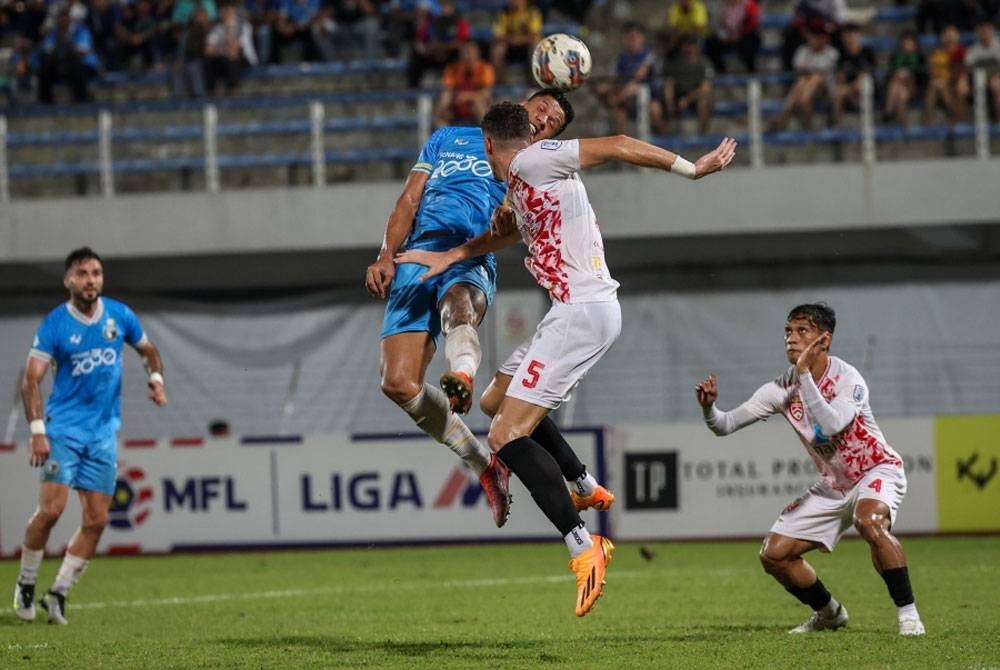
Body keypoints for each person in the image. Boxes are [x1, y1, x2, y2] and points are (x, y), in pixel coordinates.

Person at [395, 101, 735, 615]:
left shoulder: (534, 160)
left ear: (488, 145)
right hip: (573, 312)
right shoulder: (522, 182)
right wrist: (452, 256)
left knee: (505, 436)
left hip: (582, 312)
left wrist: (694, 169)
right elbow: (511, 234)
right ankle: (582, 483)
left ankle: (584, 546)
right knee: (494, 400)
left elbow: (618, 144)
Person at [365, 90, 612, 531]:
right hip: (418, 254)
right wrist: (386, 253)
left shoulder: (534, 163)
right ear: (523, 104)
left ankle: (461, 371)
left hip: (470, 259)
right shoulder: (447, 139)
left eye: (554, 123)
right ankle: (483, 463)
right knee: (398, 383)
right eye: (542, 110)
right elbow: (408, 199)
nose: (545, 122)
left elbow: (523, 221)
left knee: (459, 305)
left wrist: (505, 217)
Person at [694, 303, 926, 636]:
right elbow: (725, 425)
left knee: (868, 522)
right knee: (774, 555)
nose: (792, 338)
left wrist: (804, 376)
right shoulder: (780, 389)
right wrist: (708, 408)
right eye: (789, 331)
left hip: (877, 470)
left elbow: (832, 424)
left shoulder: (848, 378)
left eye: (803, 331)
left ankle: (909, 614)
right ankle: (830, 614)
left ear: (824, 340)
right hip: (835, 484)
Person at [13, 247, 168, 625]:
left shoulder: (119, 315)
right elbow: (30, 380)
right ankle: (26, 583)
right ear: (68, 280)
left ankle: (59, 593)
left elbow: (147, 349)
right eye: (82, 273)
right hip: (63, 429)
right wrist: (37, 431)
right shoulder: (55, 324)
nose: (90, 280)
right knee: (51, 511)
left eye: (96, 273)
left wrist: (156, 379)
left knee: (97, 520)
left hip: (102, 435)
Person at [590, 21, 658, 135]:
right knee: (617, 106)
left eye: (636, 37)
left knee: (634, 90)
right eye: (630, 38)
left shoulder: (649, 55)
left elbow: (639, 76)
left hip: (648, 94)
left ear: (642, 39)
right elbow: (613, 78)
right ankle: (618, 138)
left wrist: (620, 94)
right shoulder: (620, 58)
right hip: (625, 97)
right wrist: (603, 87)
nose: (633, 41)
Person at [776, 27, 838, 130]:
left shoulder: (832, 53)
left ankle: (785, 118)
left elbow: (824, 73)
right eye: (814, 37)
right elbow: (799, 70)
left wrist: (811, 71)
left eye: (819, 37)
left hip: (827, 91)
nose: (815, 40)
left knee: (816, 78)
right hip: (806, 89)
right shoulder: (803, 50)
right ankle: (805, 124)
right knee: (801, 82)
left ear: (825, 39)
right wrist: (813, 71)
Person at [434, 40, 495, 128]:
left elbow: (486, 93)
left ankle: (486, 137)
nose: (468, 55)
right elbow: (447, 91)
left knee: (478, 104)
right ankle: (446, 140)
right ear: (460, 53)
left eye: (470, 51)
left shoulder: (485, 68)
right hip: (457, 106)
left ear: (477, 53)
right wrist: (442, 107)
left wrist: (467, 96)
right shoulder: (452, 68)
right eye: (465, 52)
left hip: (476, 106)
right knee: (441, 113)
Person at [830, 22, 876, 127]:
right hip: (848, 94)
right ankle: (836, 126)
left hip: (866, 92)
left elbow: (867, 74)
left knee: (862, 83)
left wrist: (850, 87)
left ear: (859, 35)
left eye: (852, 35)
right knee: (839, 92)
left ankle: (868, 126)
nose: (849, 39)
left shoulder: (867, 53)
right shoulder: (841, 57)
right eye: (847, 35)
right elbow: (840, 79)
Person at [923, 24, 967, 125]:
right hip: (943, 81)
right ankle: (928, 121)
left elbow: (965, 70)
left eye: (952, 32)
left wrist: (961, 79)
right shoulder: (938, 53)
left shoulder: (963, 51)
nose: (949, 35)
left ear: (957, 35)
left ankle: (956, 118)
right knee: (936, 84)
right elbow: (933, 72)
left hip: (959, 81)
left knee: (958, 88)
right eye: (946, 33)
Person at [703, 0, 761, 74]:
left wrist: (739, 34)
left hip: (744, 37)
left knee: (750, 43)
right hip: (728, 37)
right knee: (711, 43)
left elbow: (752, 24)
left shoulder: (749, 5)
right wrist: (724, 35)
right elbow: (721, 25)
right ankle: (720, 69)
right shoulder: (724, 7)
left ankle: (751, 71)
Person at [883, 30, 925, 127]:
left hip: (914, 88)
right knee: (901, 93)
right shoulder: (895, 57)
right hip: (899, 89)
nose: (906, 45)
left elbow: (921, 79)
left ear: (915, 44)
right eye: (905, 42)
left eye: (909, 42)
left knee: (897, 87)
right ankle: (903, 123)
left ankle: (888, 111)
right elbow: (889, 76)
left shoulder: (920, 58)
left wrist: (908, 77)